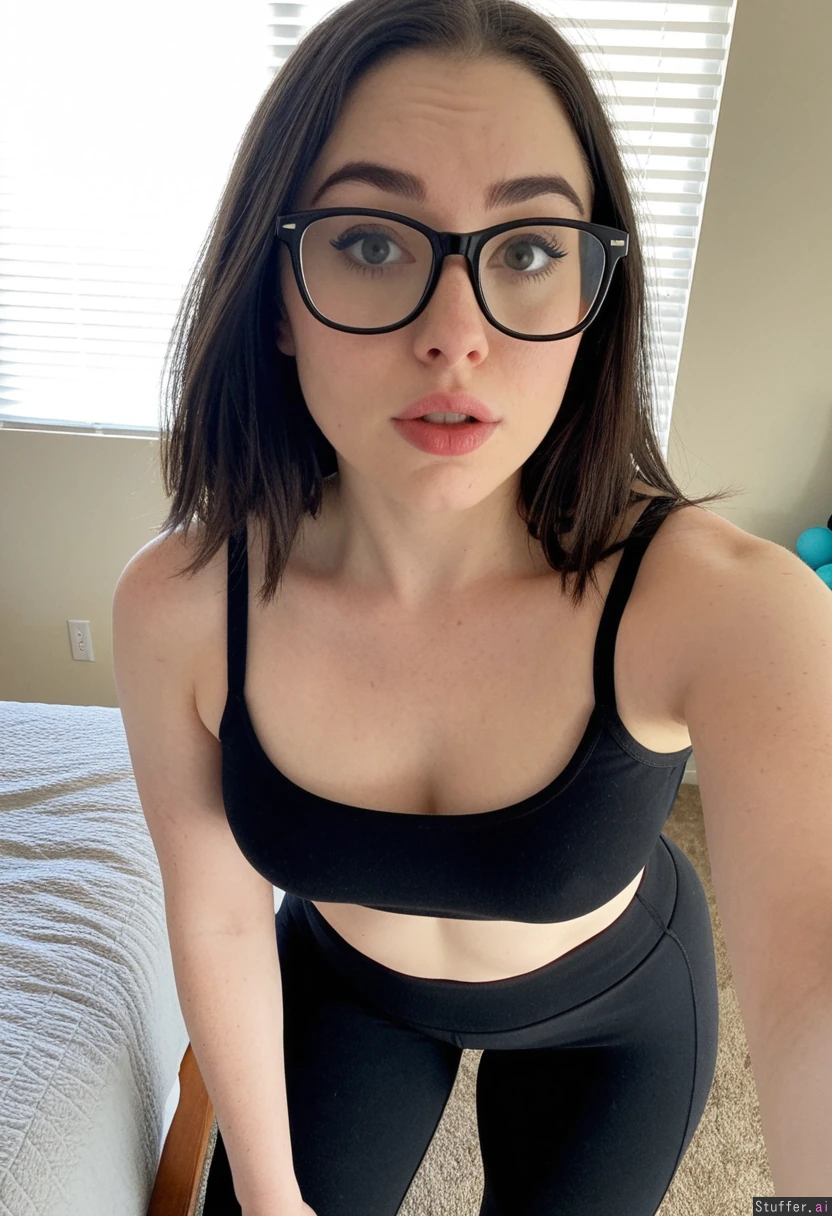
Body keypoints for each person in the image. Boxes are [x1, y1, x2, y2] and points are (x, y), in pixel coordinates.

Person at [141, 0, 741, 1211]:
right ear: (275, 294)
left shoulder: (708, 597)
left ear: (595, 293)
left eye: (527, 250)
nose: (454, 337)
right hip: (348, 990)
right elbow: (217, 922)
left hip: (614, 1014)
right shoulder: (183, 605)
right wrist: (271, 1199)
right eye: (372, 243)